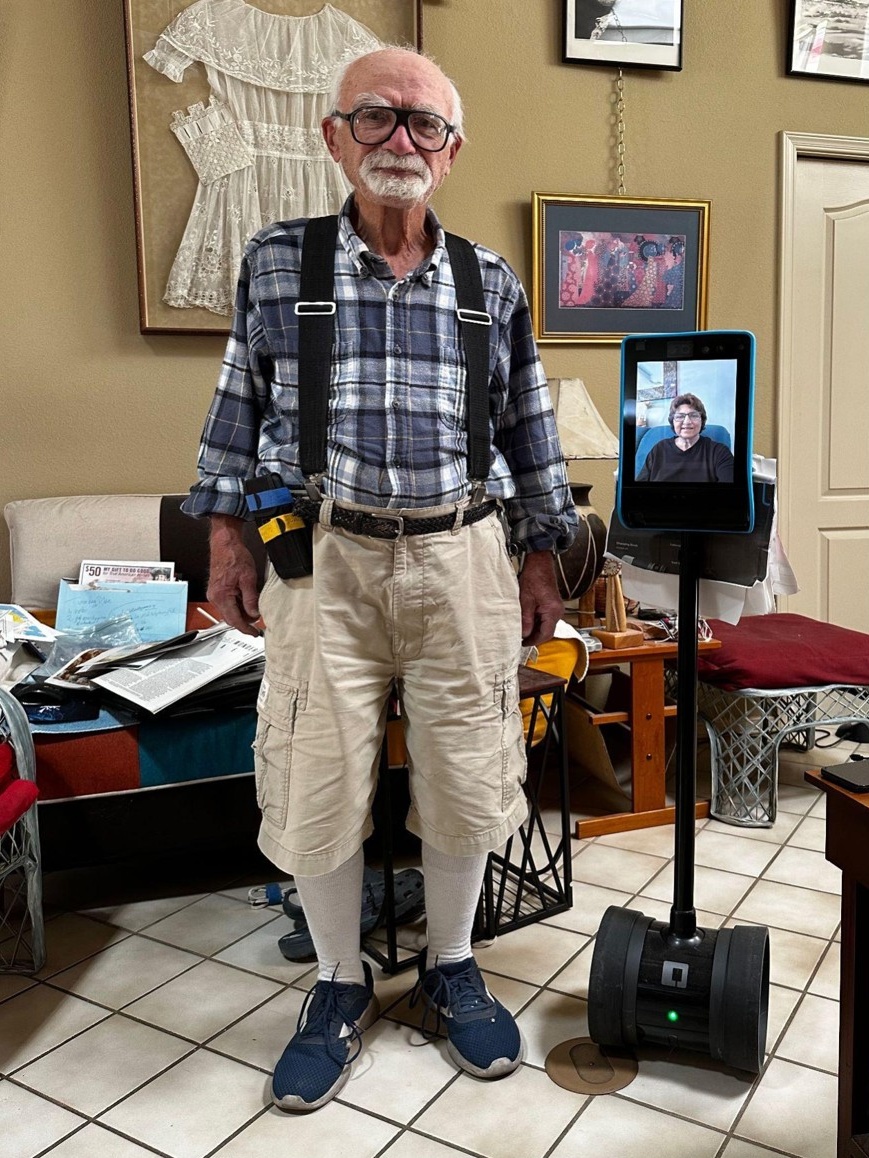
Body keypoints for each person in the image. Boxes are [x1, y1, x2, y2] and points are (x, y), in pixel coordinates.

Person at [182, 46, 578, 1112]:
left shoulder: (489, 282)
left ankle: (451, 964)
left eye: (423, 126)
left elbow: (528, 434)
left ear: (450, 154)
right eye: (376, 118)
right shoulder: (278, 263)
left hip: (464, 557)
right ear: (334, 137)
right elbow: (235, 413)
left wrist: (543, 554)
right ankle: (338, 982)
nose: (400, 141)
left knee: (466, 764)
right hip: (324, 560)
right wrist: (224, 538)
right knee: (316, 772)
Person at [636, 393, 734, 482]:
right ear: (673, 422)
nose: (687, 422)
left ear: (702, 420)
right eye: (680, 416)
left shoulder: (720, 452)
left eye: (693, 415)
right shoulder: (659, 449)